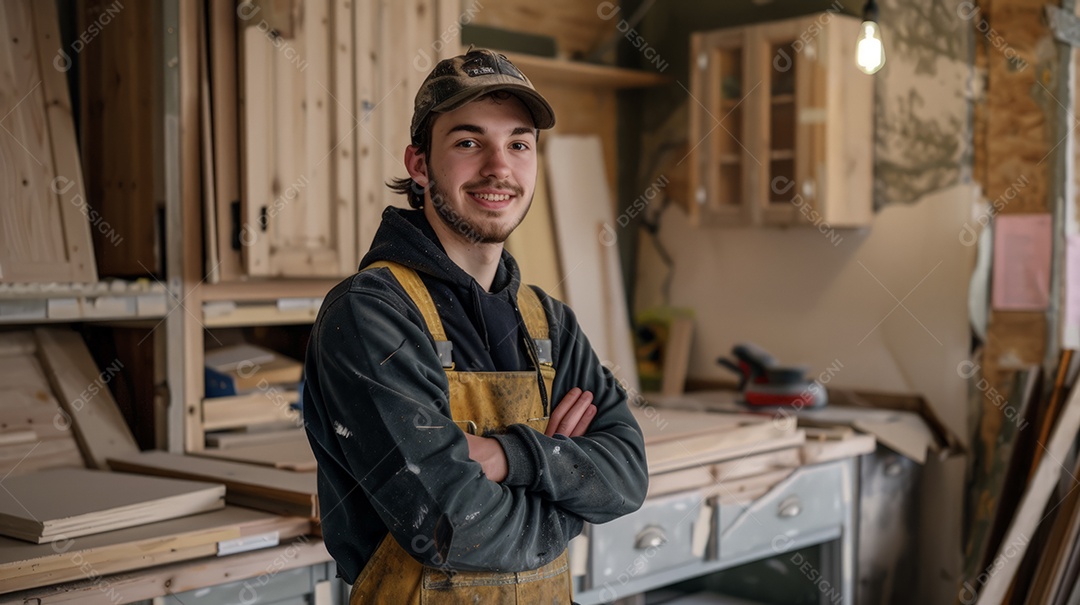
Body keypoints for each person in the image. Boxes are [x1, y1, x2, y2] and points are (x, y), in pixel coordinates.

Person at [302, 48, 648, 604]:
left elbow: (628, 477)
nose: (498, 168)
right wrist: (568, 498)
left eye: (518, 144)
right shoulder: (371, 314)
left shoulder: (549, 323)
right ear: (419, 164)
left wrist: (507, 456)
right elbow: (449, 525)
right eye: (468, 142)